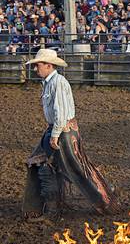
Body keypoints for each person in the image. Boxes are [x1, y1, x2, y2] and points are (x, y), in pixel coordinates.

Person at [22, 48, 121, 221]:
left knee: (66, 168)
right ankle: (104, 191)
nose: (36, 68)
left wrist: (54, 135)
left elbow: (60, 111)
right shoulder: (50, 82)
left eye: (38, 65)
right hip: (60, 130)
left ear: (48, 65)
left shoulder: (57, 83)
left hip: (61, 132)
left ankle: (102, 193)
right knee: (57, 167)